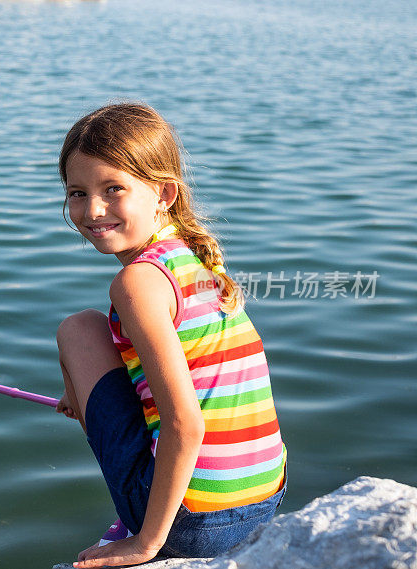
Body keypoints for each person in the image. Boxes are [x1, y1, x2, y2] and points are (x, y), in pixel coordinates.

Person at [55, 103, 287, 568]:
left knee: (79, 329)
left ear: (164, 193)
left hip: (195, 526)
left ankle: (138, 522)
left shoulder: (137, 283)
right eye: (77, 192)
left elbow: (186, 423)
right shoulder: (193, 258)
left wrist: (147, 544)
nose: (92, 210)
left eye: (113, 189)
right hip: (264, 499)